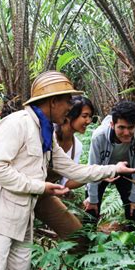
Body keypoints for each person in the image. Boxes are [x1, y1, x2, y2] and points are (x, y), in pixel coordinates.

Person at [0, 72, 135, 270]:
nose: (71, 106)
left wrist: (113, 168)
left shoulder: (45, 131)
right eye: (68, 101)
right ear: (53, 101)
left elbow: (72, 169)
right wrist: (40, 187)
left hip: (22, 220)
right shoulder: (17, 124)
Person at [34, 95, 95, 239]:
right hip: (25, 191)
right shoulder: (48, 135)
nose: (88, 121)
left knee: (78, 237)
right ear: (69, 116)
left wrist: (93, 176)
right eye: (84, 116)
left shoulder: (77, 146)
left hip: (44, 197)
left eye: (90, 117)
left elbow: (66, 183)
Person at [84, 100, 135, 224]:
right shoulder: (99, 136)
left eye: (131, 128)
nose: (126, 133)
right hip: (102, 171)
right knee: (91, 210)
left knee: (134, 211)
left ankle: (133, 240)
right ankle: (87, 241)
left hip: (128, 170)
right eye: (121, 127)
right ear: (112, 125)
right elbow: (92, 167)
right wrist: (92, 199)